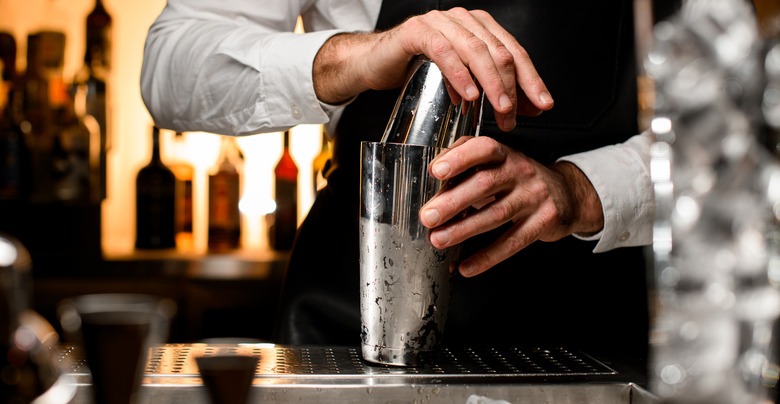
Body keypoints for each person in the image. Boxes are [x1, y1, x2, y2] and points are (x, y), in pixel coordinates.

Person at [141, 0, 678, 367]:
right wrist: (356, 55)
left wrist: (583, 190)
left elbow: (740, 128)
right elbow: (171, 66)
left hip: (593, 333)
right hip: (355, 324)